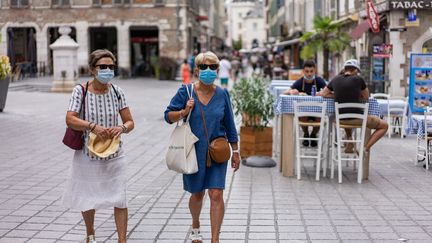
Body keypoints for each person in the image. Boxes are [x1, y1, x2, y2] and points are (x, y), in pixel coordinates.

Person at [164, 51, 240, 243]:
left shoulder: (222, 94)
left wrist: (236, 151)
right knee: (197, 194)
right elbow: (168, 116)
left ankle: (215, 239)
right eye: (204, 67)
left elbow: (230, 124)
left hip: (217, 151)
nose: (208, 70)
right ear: (196, 70)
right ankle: (195, 223)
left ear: (217, 69)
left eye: (213, 66)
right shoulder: (186, 92)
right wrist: (184, 111)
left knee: (216, 193)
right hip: (193, 152)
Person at [63, 49, 135, 243]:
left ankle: (122, 240)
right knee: (88, 196)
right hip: (88, 153)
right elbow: (70, 119)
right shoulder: (81, 91)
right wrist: (92, 126)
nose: (107, 70)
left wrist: (121, 128)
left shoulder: (118, 92)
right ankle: (90, 233)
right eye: (103, 67)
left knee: (120, 197)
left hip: (115, 153)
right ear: (93, 69)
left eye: (111, 67)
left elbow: (130, 122)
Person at [319, 59, 388, 154]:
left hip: (339, 119)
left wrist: (339, 94)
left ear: (344, 70)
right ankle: (365, 149)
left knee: (347, 115)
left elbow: (323, 94)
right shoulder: (359, 80)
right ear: (355, 70)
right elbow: (366, 97)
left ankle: (350, 140)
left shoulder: (335, 79)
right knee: (384, 126)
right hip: (357, 118)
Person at [284, 60, 326, 147]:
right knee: (300, 115)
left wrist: (322, 93)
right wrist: (292, 91)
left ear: (315, 71)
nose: (309, 74)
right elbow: (285, 92)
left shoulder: (319, 81)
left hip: (317, 112)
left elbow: (328, 91)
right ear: (303, 71)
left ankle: (313, 134)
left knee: (321, 116)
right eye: (307, 71)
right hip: (303, 113)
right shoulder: (300, 82)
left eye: (311, 71)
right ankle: (306, 134)